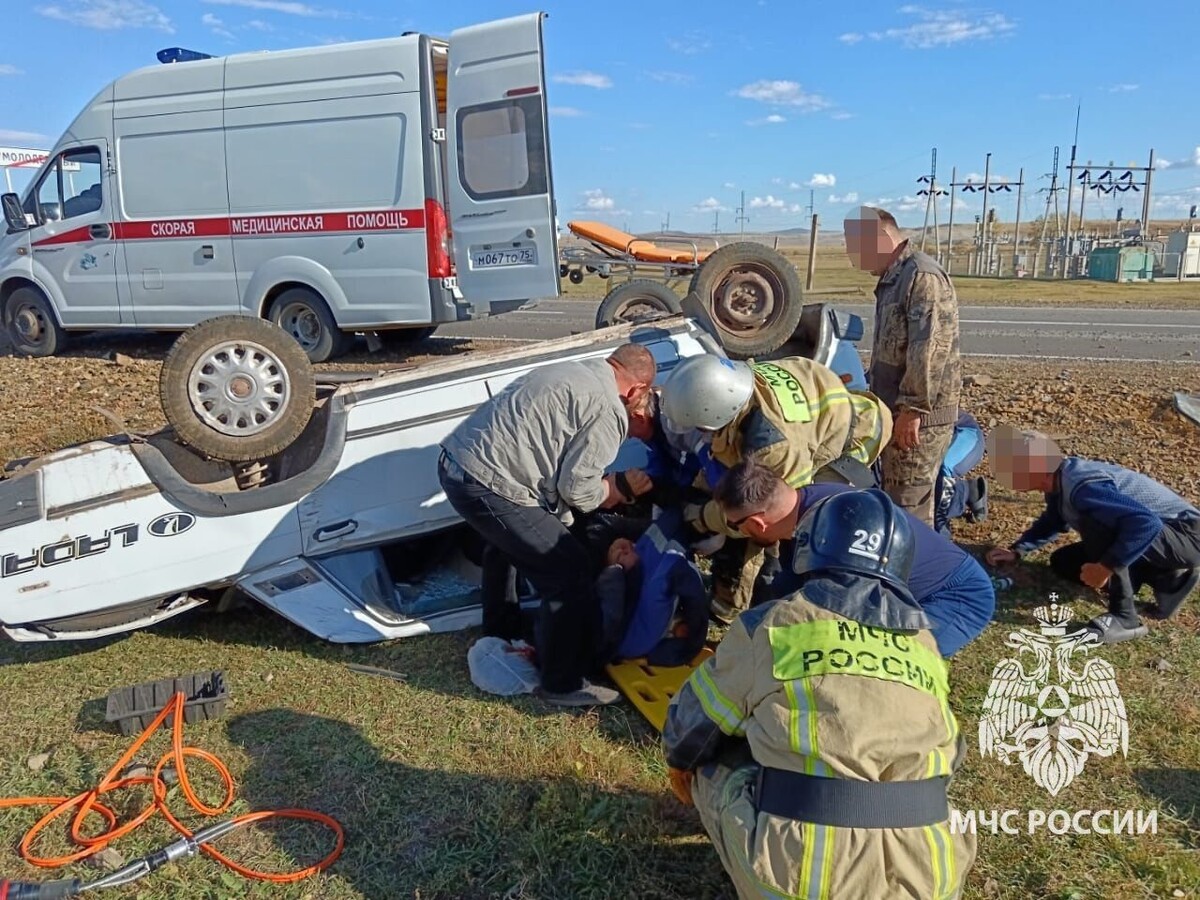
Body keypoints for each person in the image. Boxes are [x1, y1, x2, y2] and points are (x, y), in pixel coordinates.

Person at [661, 488, 977, 900]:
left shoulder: (774, 623)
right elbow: (953, 754)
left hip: (804, 881)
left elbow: (691, 725)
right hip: (931, 879)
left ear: (810, 546)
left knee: (714, 755)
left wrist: (682, 764)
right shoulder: (926, 644)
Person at [437, 343, 658, 706]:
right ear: (637, 390)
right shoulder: (609, 410)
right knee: (568, 569)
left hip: (456, 464)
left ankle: (501, 634)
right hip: (488, 483)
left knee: (507, 545)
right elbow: (580, 491)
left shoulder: (575, 370)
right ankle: (562, 684)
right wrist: (617, 488)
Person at [656, 353, 893, 619]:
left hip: (851, 440)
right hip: (819, 425)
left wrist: (702, 518)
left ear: (718, 409)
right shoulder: (743, 385)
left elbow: (771, 515)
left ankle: (778, 602)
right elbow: (728, 452)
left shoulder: (774, 446)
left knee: (799, 526)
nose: (701, 433)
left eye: (701, 426)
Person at [714, 460, 995, 657]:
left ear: (756, 524)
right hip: (907, 592)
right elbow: (785, 596)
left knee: (879, 666)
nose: (738, 533)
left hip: (953, 596)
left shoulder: (837, 531)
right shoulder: (802, 514)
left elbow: (837, 615)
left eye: (735, 526)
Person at [984, 424, 1200, 643]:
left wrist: (1105, 567)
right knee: (1065, 561)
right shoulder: (1059, 482)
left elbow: (1145, 524)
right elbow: (1053, 521)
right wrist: (1018, 550)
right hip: (1163, 535)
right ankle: (1168, 578)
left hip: (1188, 535)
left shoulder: (1085, 487)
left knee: (1098, 525)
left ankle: (1125, 618)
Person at [845, 205, 962, 528]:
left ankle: (916, 576)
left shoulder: (920, 276)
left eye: (857, 244)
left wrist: (912, 410)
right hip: (897, 413)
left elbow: (929, 350)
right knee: (895, 500)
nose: (851, 253)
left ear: (882, 237)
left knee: (909, 510)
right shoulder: (894, 278)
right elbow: (893, 350)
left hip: (918, 420)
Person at [592, 508, 709, 669]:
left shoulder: (652, 545)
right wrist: (683, 651)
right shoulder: (669, 563)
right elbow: (697, 611)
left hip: (614, 628)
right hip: (631, 639)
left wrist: (616, 564)